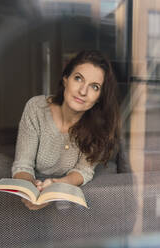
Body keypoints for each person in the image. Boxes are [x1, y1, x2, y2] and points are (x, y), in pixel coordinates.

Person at [11, 50, 120, 210]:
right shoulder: (36, 108)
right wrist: (29, 190)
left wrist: (56, 185)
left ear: (99, 97)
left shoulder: (100, 127)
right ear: (65, 80)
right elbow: (23, 164)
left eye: (94, 87)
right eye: (78, 78)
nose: (83, 91)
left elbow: (84, 171)